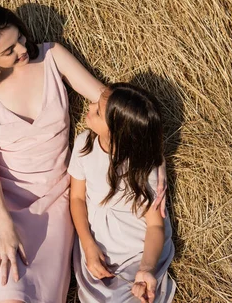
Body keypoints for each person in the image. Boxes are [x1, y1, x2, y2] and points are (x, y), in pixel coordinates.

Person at [0, 4, 167, 303]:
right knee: (8, 289)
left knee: (28, 293)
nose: (22, 49)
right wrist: (3, 225)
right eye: (9, 50)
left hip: (56, 197)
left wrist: (154, 162)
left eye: (19, 38)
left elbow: (116, 111)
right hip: (1, 197)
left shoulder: (52, 56)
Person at [68, 83, 175, 303]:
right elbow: (77, 198)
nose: (90, 106)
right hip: (97, 241)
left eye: (98, 111)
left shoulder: (144, 171)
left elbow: (155, 225)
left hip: (137, 248)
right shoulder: (84, 145)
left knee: (135, 295)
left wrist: (145, 268)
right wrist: (88, 244)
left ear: (118, 133)